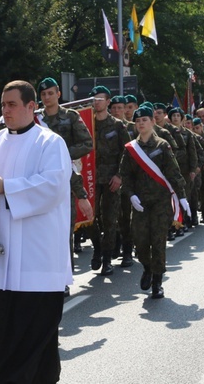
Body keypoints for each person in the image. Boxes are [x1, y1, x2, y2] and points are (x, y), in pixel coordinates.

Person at [0, 80, 72, 384]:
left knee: (34, 331)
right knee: (7, 332)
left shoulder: (50, 143)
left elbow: (53, 187)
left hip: (38, 257)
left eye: (11, 104)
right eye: (2, 104)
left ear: (30, 107)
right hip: (0, 255)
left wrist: (5, 187)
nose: (4, 110)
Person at [119, 105, 188, 299]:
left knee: (157, 241)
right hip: (140, 203)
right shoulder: (131, 149)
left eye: (144, 120)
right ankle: (147, 267)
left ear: (152, 122)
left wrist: (182, 196)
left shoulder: (162, 145)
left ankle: (157, 281)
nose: (141, 124)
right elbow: (125, 175)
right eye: (138, 121)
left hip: (160, 202)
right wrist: (131, 195)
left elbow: (173, 172)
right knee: (140, 242)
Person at [38, 77, 94, 281]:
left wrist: (60, 153)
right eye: (43, 94)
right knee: (43, 234)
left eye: (50, 93)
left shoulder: (70, 116)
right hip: (42, 181)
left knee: (63, 233)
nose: (47, 97)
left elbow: (87, 143)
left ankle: (64, 278)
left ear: (58, 94)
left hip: (66, 179)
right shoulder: (36, 120)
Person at [87, 85, 130, 275]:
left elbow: (127, 152)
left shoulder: (118, 125)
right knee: (90, 218)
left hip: (112, 179)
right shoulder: (87, 124)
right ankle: (97, 247)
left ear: (108, 102)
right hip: (91, 179)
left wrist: (120, 175)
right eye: (94, 99)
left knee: (110, 220)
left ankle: (106, 259)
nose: (96, 102)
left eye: (100, 99)